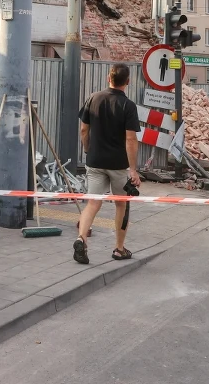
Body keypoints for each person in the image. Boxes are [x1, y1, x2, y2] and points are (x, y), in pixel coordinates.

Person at [73, 63, 141, 265]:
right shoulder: (128, 106)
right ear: (128, 82)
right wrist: (133, 169)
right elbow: (130, 139)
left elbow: (84, 130)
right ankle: (119, 249)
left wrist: (87, 151)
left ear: (107, 78)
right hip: (118, 165)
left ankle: (81, 238)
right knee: (122, 204)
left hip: (95, 161)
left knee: (93, 203)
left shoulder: (93, 98)